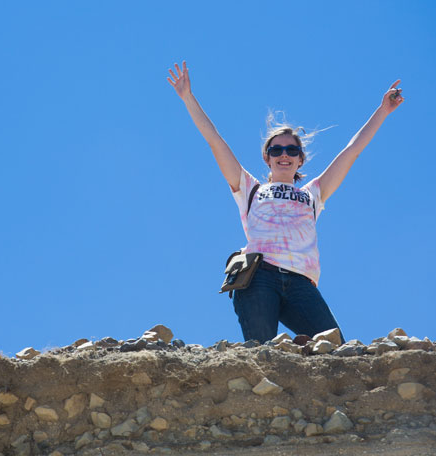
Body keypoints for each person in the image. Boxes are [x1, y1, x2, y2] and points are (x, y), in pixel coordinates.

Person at [167, 61, 404, 344]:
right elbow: (215, 142)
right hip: (258, 278)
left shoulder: (313, 193)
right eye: (276, 149)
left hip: (301, 283)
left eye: (292, 149)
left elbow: (352, 151)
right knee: (261, 352)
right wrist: (188, 98)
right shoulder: (250, 188)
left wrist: (383, 111)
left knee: (336, 348)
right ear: (266, 157)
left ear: (300, 159)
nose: (284, 154)